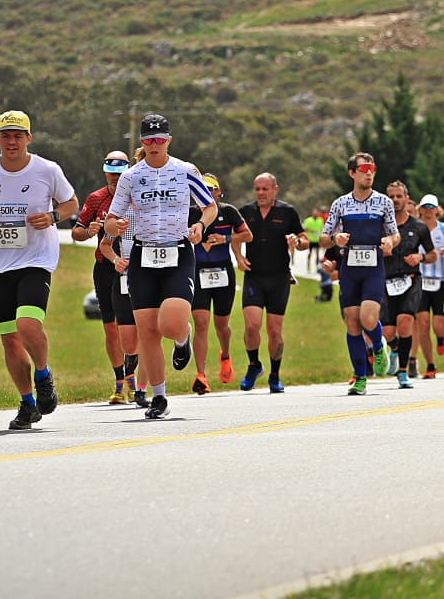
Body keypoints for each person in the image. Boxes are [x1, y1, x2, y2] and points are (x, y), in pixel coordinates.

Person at [0, 110, 78, 430]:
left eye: (18, 135)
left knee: (28, 326)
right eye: (5, 135)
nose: (11, 142)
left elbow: (72, 205)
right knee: (9, 339)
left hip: (36, 259)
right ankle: (28, 404)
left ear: (29, 138)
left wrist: (53, 217)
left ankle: (43, 374)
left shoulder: (46, 169)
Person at [104, 113, 216, 419]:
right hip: (142, 255)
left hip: (178, 252)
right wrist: (116, 226)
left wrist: (200, 227)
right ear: (141, 142)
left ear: (168, 141)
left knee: (171, 324)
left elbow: (209, 206)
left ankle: (183, 339)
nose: (154, 145)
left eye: (159, 140)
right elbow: (112, 221)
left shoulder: (184, 171)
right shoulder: (130, 176)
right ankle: (159, 397)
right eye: (148, 140)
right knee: (149, 332)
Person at [321, 152, 399, 396]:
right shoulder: (341, 203)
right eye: (363, 169)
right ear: (352, 173)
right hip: (349, 268)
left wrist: (389, 241)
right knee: (352, 322)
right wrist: (336, 238)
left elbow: (394, 233)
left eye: (372, 169)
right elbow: (323, 238)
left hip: (373, 267)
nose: (368, 173)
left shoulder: (384, 202)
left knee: (367, 318)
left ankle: (378, 345)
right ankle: (360, 377)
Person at [71, 149, 139, 404]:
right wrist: (88, 231)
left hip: (134, 267)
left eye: (119, 174)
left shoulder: (135, 195)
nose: (114, 179)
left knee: (133, 326)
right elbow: (77, 231)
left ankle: (133, 378)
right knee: (110, 328)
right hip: (106, 267)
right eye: (110, 174)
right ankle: (120, 381)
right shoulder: (96, 198)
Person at [234, 172, 305, 393]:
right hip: (254, 275)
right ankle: (254, 365)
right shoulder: (246, 212)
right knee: (252, 325)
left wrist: (297, 240)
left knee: (274, 331)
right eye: (258, 189)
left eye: (265, 189)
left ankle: (274, 375)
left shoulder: (287, 212)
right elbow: (234, 237)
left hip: (279, 277)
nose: (261, 193)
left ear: (276, 189)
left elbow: (304, 242)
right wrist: (238, 257)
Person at [192, 173, 249, 393]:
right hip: (197, 272)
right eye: (202, 189)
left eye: (211, 189)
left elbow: (248, 236)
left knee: (221, 325)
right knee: (201, 323)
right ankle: (200, 375)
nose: (207, 193)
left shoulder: (228, 211)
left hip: (223, 271)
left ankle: (225, 356)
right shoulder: (191, 214)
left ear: (218, 192)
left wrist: (224, 239)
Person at [379, 181, 435, 389]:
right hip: (385, 280)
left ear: (406, 199)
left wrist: (420, 256)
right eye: (391, 197)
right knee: (388, 332)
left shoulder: (419, 226)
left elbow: (432, 255)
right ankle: (394, 349)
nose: (395, 200)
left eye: (398, 196)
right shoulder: (380, 226)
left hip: (410, 280)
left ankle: (403, 372)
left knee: (405, 323)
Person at [414, 195, 444, 378]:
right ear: (420, 209)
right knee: (423, 324)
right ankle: (430, 365)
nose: (429, 209)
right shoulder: (414, 228)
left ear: (437, 209)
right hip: (420, 282)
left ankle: (441, 336)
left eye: (433, 206)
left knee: (438, 325)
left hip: (442, 283)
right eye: (426, 206)